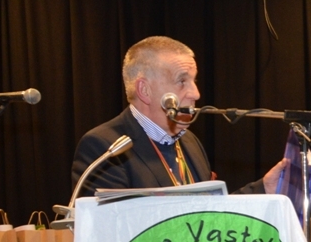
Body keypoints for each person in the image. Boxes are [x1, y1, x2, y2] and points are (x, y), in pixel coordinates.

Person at [70, 36, 286, 196]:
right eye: (182, 81)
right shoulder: (104, 147)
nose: (196, 94)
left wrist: (264, 188)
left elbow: (208, 214)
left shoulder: (190, 142)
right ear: (145, 90)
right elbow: (113, 230)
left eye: (194, 81)